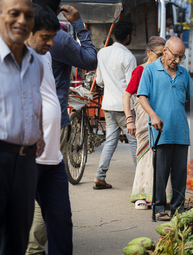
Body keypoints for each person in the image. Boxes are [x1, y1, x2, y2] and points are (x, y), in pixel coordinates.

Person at [137, 37, 193, 220]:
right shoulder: (150, 70)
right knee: (161, 173)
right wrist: (153, 115)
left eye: (181, 57)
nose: (177, 60)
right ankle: (159, 208)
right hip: (160, 131)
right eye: (175, 56)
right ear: (165, 50)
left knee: (180, 174)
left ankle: (178, 208)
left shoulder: (183, 73)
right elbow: (142, 96)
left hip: (181, 130)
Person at [25, 4, 73, 255]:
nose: (51, 43)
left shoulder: (44, 53)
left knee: (61, 222)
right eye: (45, 37)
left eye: (53, 37)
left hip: (53, 158)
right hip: (23, 159)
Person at [0, 0, 45, 254]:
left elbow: (32, 101)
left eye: (27, 15)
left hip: (27, 163)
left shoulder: (35, 63)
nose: (22, 21)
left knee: (18, 238)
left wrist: (37, 134)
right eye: (14, 13)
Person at [32, 0, 98, 157]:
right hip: (50, 123)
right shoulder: (60, 40)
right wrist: (79, 26)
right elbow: (90, 61)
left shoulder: (46, 52)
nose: (50, 42)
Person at [123, 36, 172, 209]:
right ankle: (141, 196)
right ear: (149, 53)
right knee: (145, 157)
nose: (163, 59)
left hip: (163, 119)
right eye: (159, 55)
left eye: (165, 55)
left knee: (163, 157)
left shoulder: (167, 71)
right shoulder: (140, 71)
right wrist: (130, 120)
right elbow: (127, 96)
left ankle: (161, 195)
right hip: (144, 122)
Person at [94, 20, 138, 189]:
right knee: (135, 142)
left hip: (108, 105)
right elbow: (131, 88)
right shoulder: (128, 57)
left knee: (110, 141)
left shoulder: (102, 53)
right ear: (128, 36)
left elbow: (99, 81)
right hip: (124, 108)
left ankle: (100, 176)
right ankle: (141, 180)